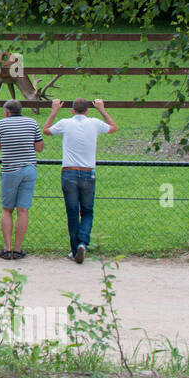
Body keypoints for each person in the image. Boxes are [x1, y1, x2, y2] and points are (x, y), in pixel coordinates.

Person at [43, 97, 118, 264]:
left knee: (72, 213)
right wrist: (102, 110)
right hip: (88, 172)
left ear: (72, 111)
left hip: (69, 172)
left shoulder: (64, 123)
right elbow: (113, 127)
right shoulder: (95, 123)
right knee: (87, 211)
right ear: (88, 111)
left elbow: (46, 129)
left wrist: (54, 110)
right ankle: (83, 243)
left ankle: (74, 248)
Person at [0, 99, 45, 260]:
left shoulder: (1, 124)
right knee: (23, 210)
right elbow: (40, 147)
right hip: (29, 168)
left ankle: (7, 248)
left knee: (7, 209)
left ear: (7, 112)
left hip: (10, 169)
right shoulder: (32, 123)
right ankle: (18, 248)